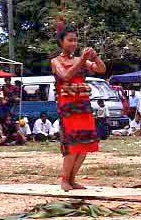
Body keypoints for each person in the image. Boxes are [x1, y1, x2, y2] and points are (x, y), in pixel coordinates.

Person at [51, 25, 106, 191]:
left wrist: (95, 58)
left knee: (85, 144)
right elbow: (66, 76)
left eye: (75, 40)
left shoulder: (80, 60)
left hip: (83, 106)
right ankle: (64, 179)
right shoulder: (55, 61)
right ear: (61, 42)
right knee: (72, 144)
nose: (73, 43)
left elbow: (102, 70)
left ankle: (72, 179)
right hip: (67, 106)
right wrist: (82, 60)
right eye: (70, 40)